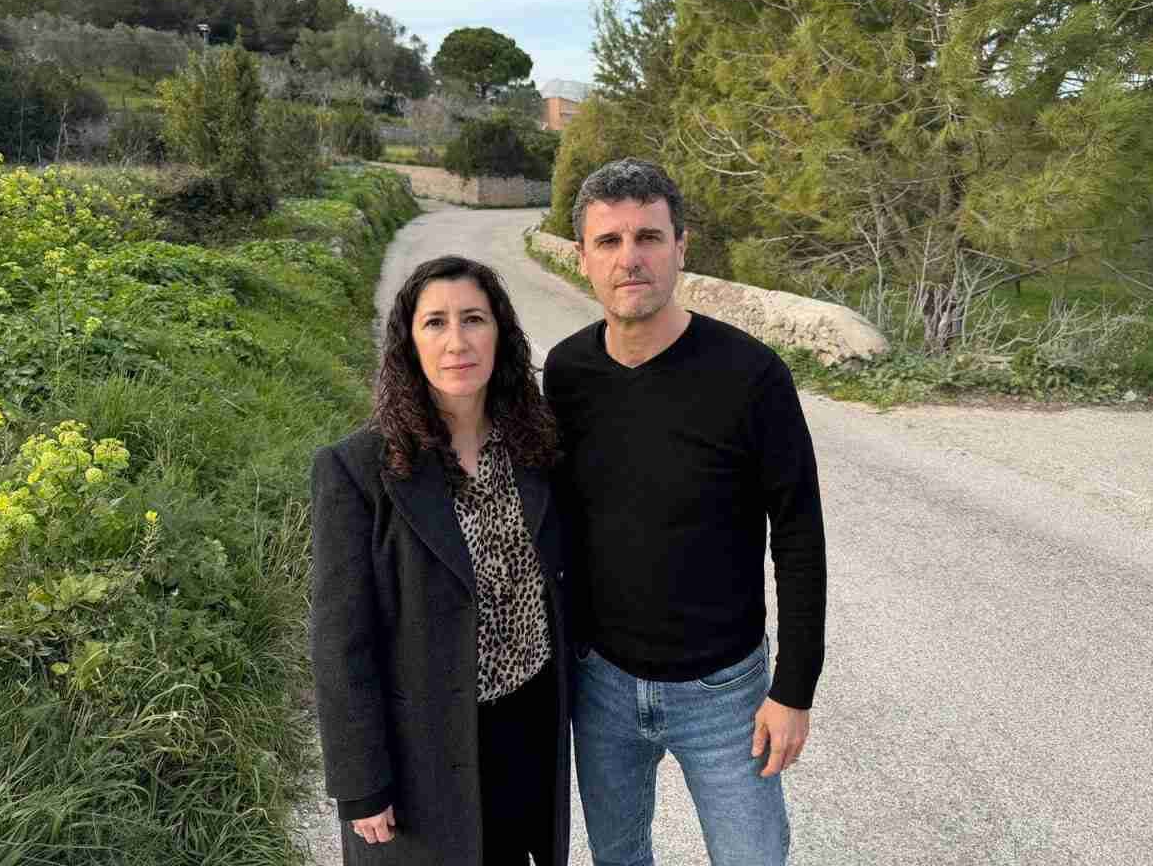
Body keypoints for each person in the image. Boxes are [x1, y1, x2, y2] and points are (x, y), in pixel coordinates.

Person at [543, 159, 827, 866]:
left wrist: (794, 688)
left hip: (724, 692)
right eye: (608, 241)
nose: (629, 257)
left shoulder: (753, 377)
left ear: (681, 246)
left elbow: (797, 535)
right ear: (583, 256)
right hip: (599, 684)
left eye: (648, 236)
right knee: (618, 858)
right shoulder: (568, 373)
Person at [310, 255, 572, 866]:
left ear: (500, 334)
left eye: (474, 319)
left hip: (524, 732)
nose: (457, 341)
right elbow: (340, 640)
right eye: (435, 323)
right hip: (422, 753)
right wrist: (360, 784)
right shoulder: (358, 470)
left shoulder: (535, 446)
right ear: (409, 343)